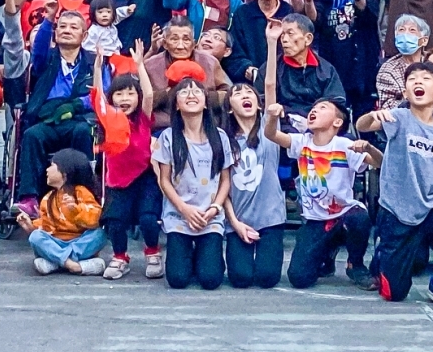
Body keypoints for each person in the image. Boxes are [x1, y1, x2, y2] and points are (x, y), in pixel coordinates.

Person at [358, 61, 433, 310]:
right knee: (395, 293)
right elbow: (363, 126)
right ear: (405, 92)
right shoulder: (399, 118)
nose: (418, 82)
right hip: (396, 212)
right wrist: (373, 116)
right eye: (412, 79)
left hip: (429, 208)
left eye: (425, 78)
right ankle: (382, 254)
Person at [276, 90, 375, 291]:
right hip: (315, 219)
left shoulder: (344, 145)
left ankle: (355, 265)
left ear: (337, 122)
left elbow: (379, 163)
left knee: (359, 218)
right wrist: (271, 117)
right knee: (299, 278)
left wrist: (369, 149)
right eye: (313, 108)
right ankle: (327, 256)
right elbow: (272, 135)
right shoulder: (301, 142)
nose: (315, 110)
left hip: (343, 213)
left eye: (323, 108)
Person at [151, 67, 231, 290]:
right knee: (177, 280)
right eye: (184, 92)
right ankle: (189, 254)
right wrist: (184, 209)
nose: (191, 95)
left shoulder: (220, 136)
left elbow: (225, 180)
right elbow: (164, 180)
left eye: (197, 91)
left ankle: (205, 256)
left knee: (210, 279)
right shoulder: (168, 137)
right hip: (179, 216)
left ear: (206, 103)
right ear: (176, 104)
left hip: (210, 216)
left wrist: (215, 208)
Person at [16, 5, 102, 210]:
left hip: (78, 119)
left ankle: (84, 192)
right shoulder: (46, 59)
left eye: (74, 27)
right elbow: (38, 49)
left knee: (83, 132)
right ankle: (29, 197)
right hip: (47, 118)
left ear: (85, 34)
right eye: (62, 26)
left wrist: (77, 104)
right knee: (31, 135)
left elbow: (102, 94)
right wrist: (49, 18)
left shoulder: (94, 61)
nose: (67, 30)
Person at [100, 48, 162, 280]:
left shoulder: (144, 119)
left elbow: (148, 95)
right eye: (119, 94)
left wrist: (139, 65)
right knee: (115, 220)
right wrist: (97, 68)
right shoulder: (109, 120)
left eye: (129, 94)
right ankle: (120, 257)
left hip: (145, 176)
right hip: (118, 180)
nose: (125, 99)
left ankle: (153, 252)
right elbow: (98, 97)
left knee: (147, 217)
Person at [222, 79, 287, 288]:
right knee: (240, 279)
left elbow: (270, 85)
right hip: (238, 220)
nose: (245, 96)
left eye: (249, 93)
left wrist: (270, 45)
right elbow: (221, 189)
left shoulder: (269, 131)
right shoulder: (223, 139)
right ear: (230, 108)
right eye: (238, 94)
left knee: (267, 278)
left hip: (270, 218)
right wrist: (235, 224)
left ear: (259, 104)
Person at [316, 0, 382, 116]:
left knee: (363, 115)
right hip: (332, 62)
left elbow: (370, 18)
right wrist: (308, 1)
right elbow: (316, 20)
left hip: (362, 66)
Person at [21, 148, 106, 275]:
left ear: (65, 174)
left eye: (52, 166)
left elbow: (96, 218)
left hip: (79, 243)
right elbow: (46, 226)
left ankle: (56, 262)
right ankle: (75, 265)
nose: (47, 170)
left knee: (100, 234)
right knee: (36, 237)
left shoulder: (80, 192)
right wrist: (31, 227)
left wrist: (78, 210)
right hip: (57, 243)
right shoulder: (48, 198)